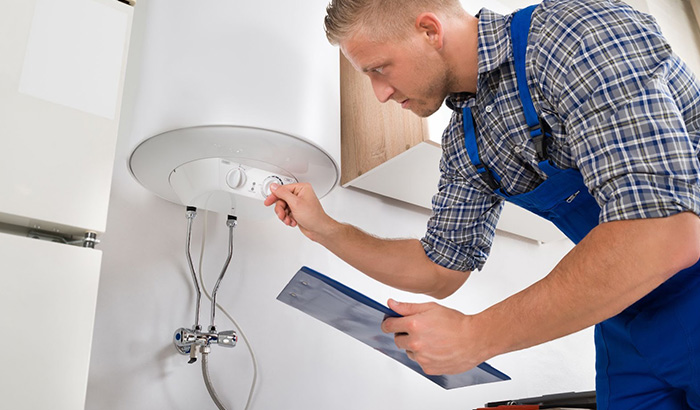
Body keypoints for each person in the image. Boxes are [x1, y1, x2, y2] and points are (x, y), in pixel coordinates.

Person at [264, 0, 700, 408]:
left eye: (380, 69)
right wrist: (324, 228)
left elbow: (662, 232)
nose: (379, 93)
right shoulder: (466, 142)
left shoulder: (574, 37)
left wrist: (476, 335)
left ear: (429, 31)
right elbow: (438, 270)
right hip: (625, 311)